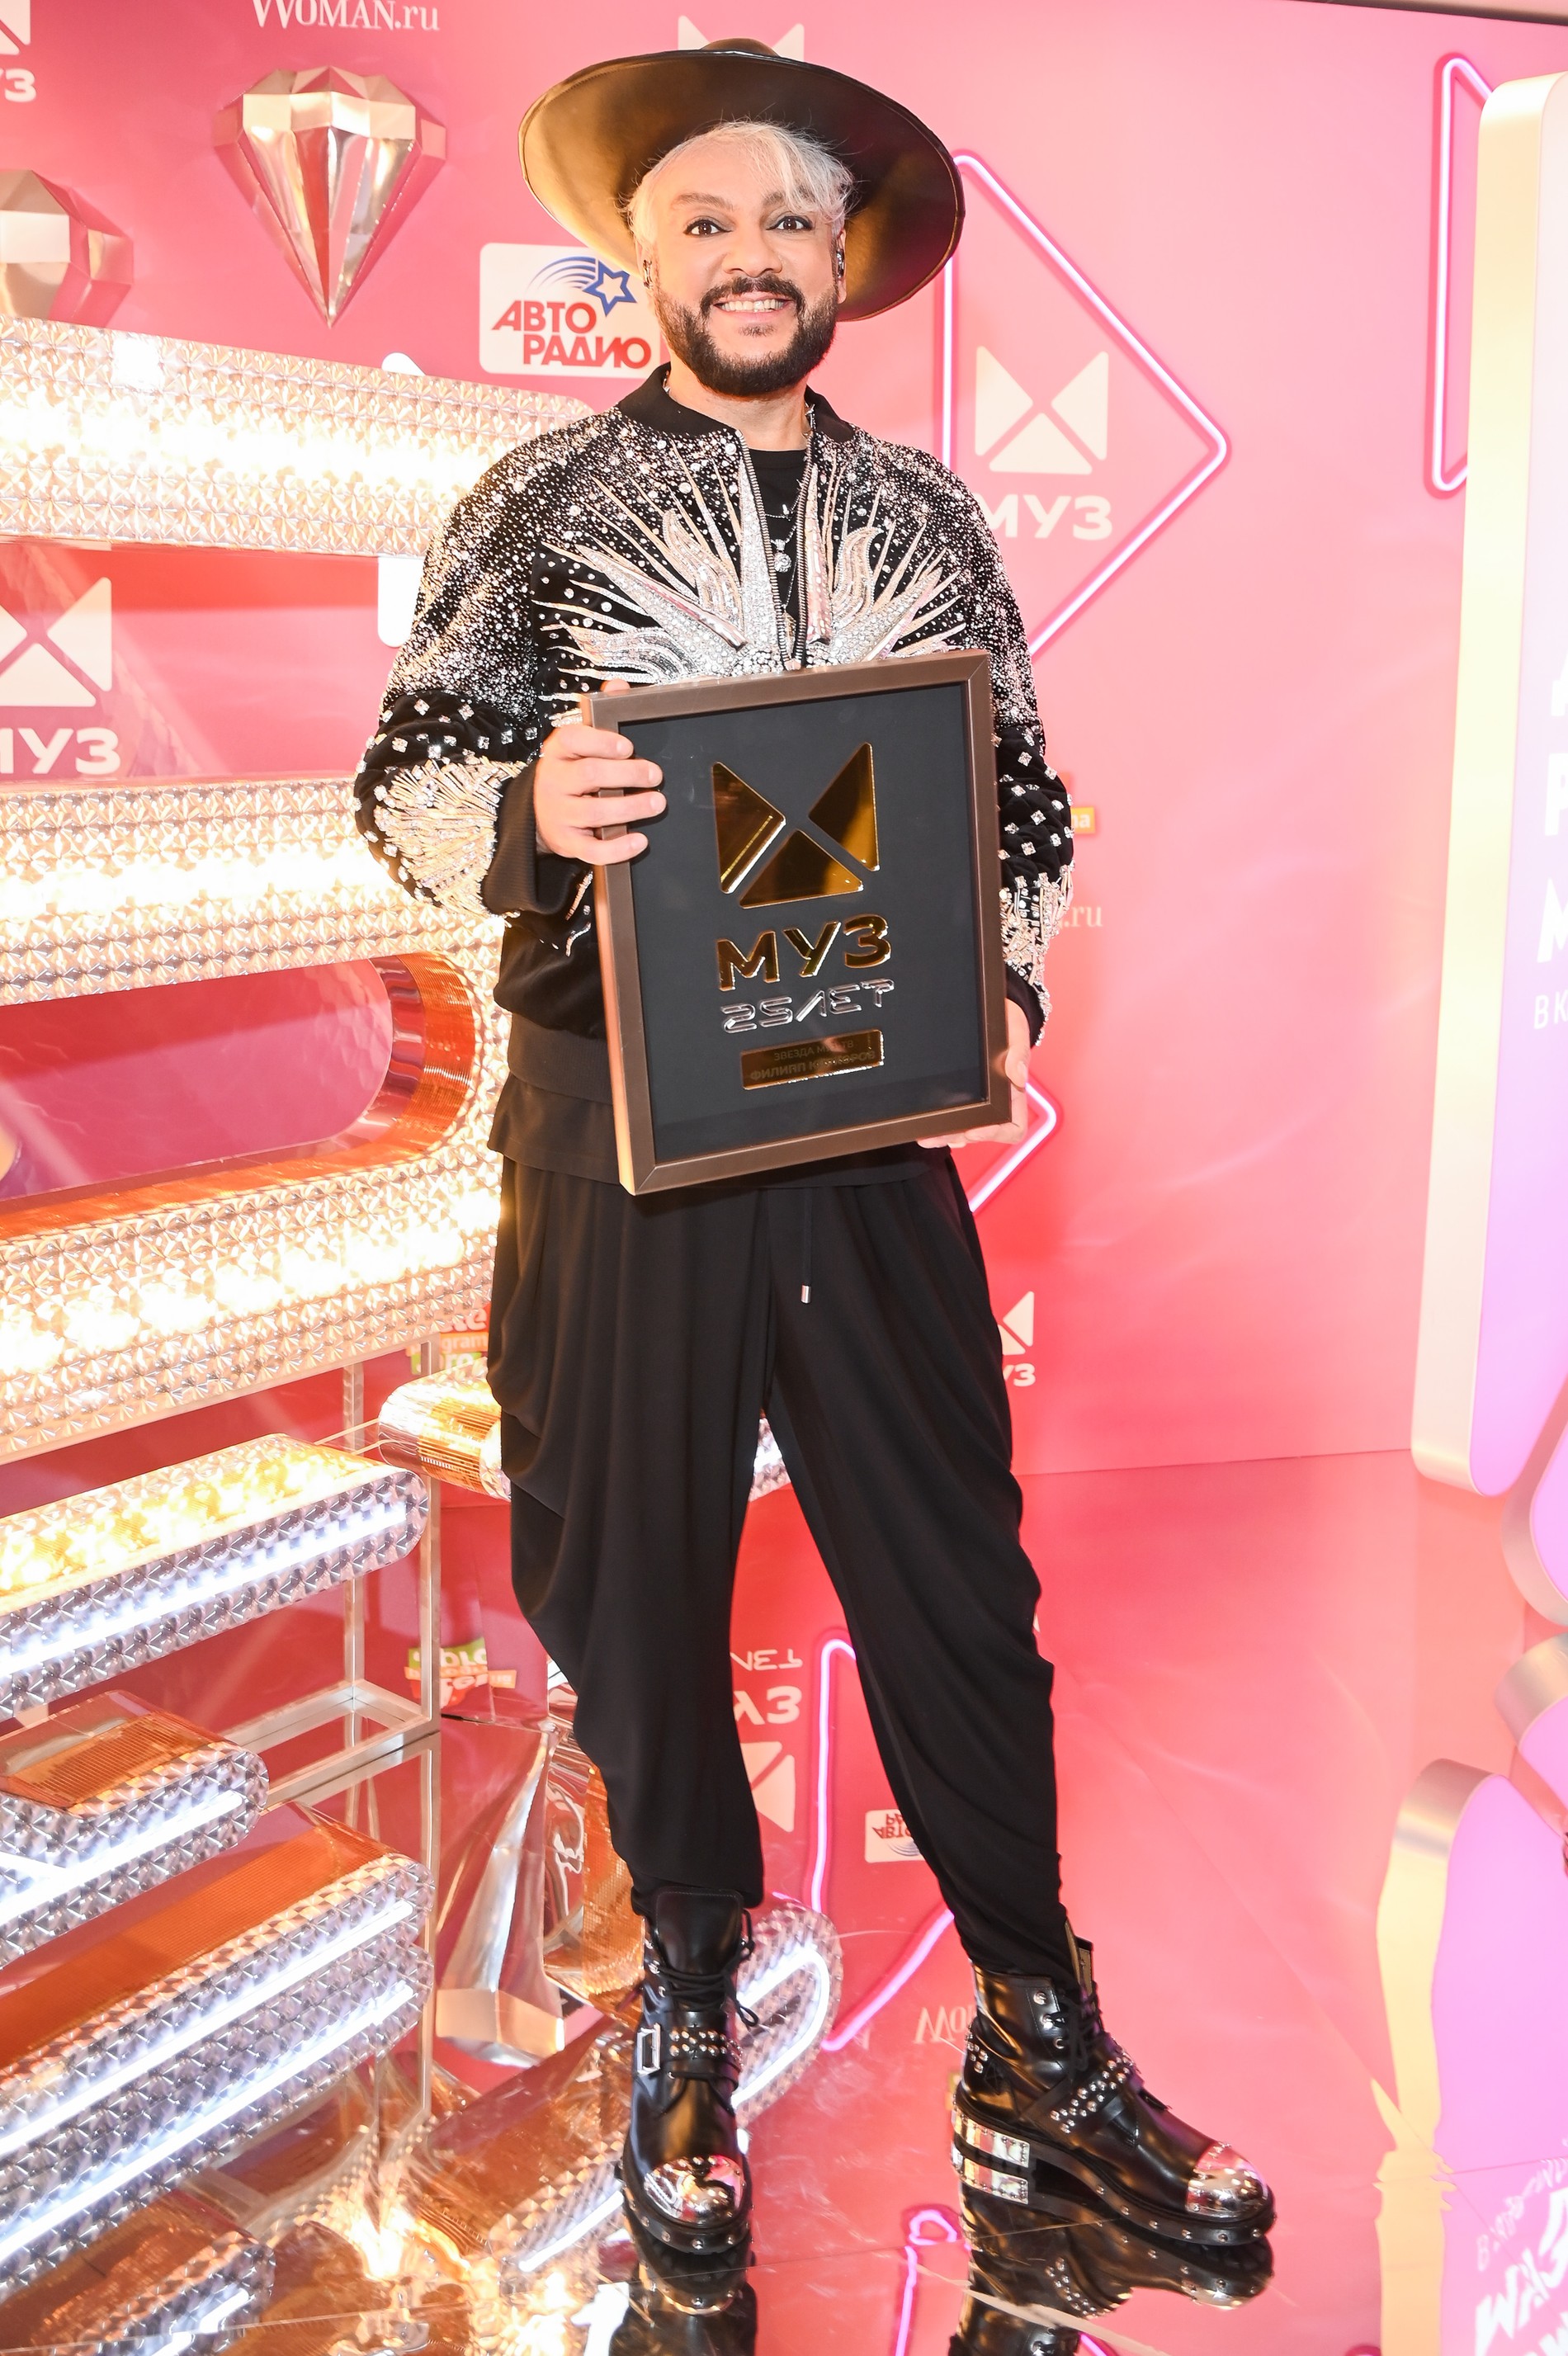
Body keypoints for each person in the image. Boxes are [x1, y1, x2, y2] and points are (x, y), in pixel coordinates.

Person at [355, 35, 1273, 2270]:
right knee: (634, 1592)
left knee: (958, 1585)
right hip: (611, 1148)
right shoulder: (538, 507)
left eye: (789, 218)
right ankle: (683, 1995)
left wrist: (997, 982)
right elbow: (403, 781)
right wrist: (525, 808)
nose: (751, 253)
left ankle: (1038, 2040)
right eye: (707, 219)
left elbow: (1018, 805)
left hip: (865, 1150)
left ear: (842, 261)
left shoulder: (930, 520)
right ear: (641, 256)